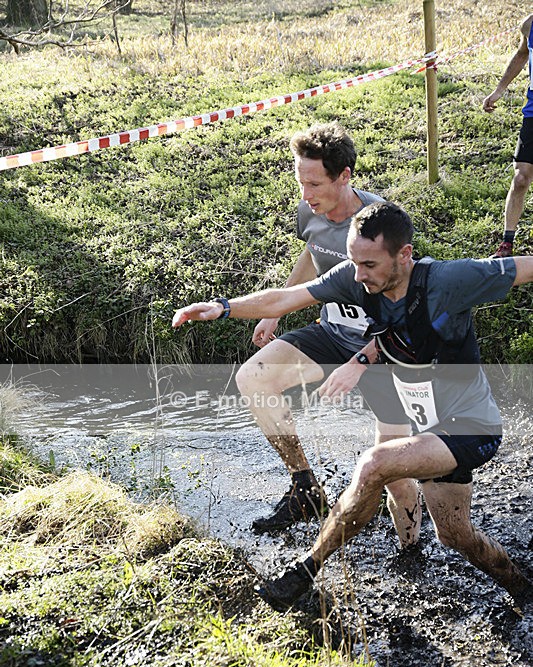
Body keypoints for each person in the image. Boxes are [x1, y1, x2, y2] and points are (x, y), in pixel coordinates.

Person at [172, 201, 533, 615]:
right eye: (354, 262)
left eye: (370, 264)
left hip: (471, 426)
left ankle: (305, 571)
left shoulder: (450, 280)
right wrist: (224, 307)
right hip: (427, 429)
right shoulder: (356, 277)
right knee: (455, 536)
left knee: (375, 463)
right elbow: (286, 299)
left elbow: (524, 268)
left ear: (404, 255)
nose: (359, 275)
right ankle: (522, 588)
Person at [234, 122, 421, 547]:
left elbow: (408, 304)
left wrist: (363, 360)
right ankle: (305, 489)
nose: (306, 194)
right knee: (254, 378)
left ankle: (411, 549)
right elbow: (312, 250)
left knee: (393, 469)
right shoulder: (310, 211)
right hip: (333, 333)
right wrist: (278, 309)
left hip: (383, 348)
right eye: (300, 182)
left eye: (315, 183)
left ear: (344, 176)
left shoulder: (380, 222)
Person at [483, 14, 533, 258]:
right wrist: (499, 90)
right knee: (521, 178)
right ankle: (506, 244)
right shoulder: (529, 25)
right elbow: (522, 54)